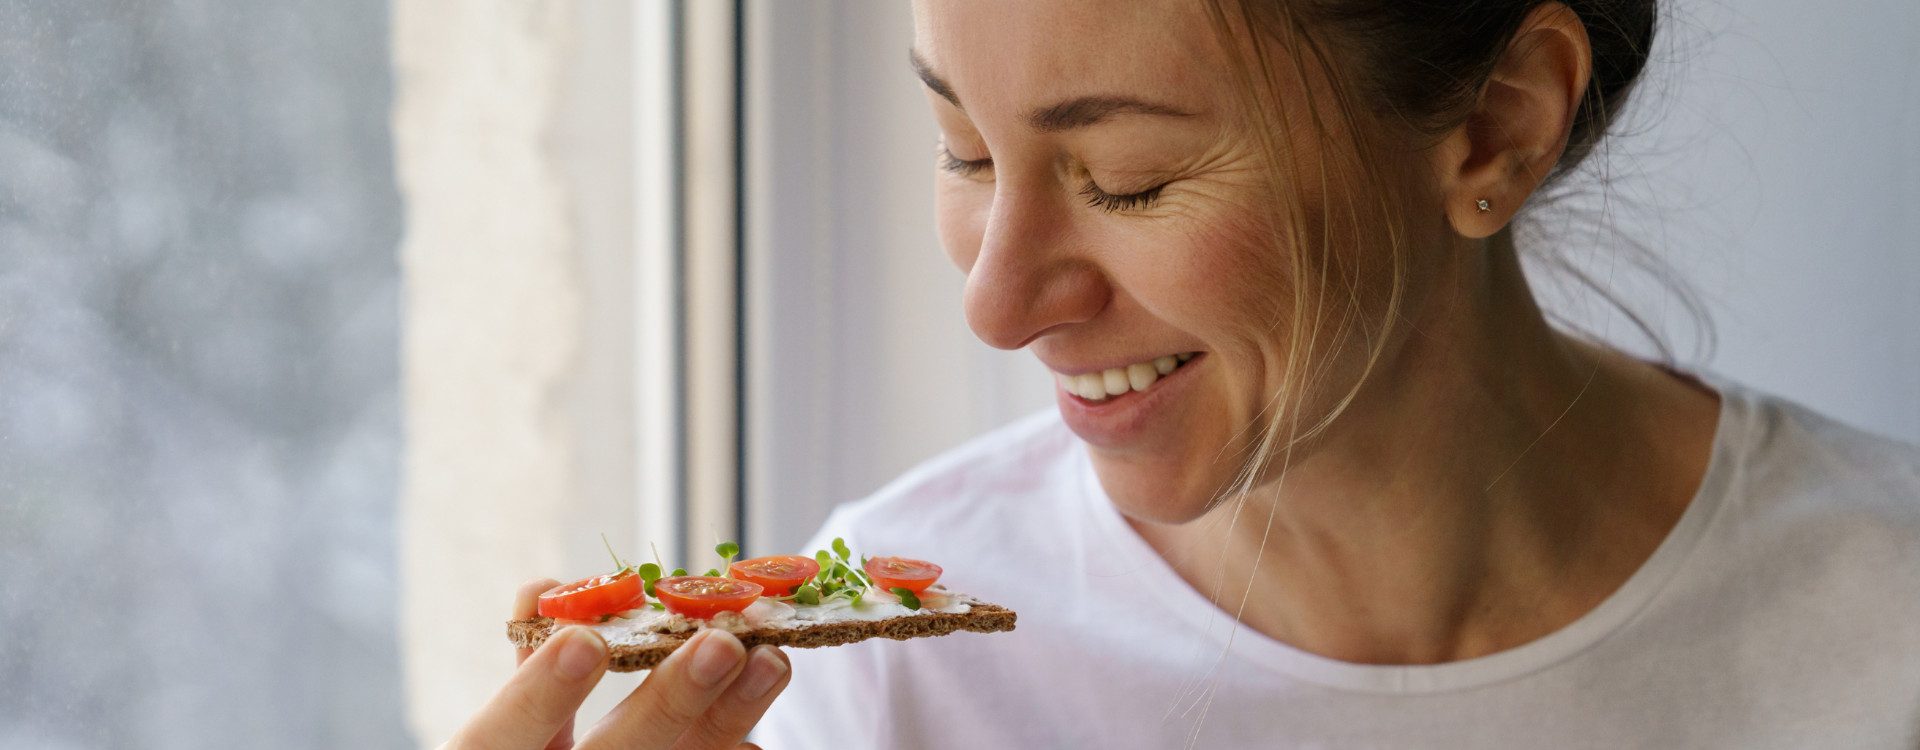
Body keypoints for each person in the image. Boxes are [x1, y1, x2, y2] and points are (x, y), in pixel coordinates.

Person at [445, 0, 1920, 748]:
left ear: (1497, 127)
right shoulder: (896, 685)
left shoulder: (1888, 625)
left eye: (1133, 179)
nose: (998, 301)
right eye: (963, 151)